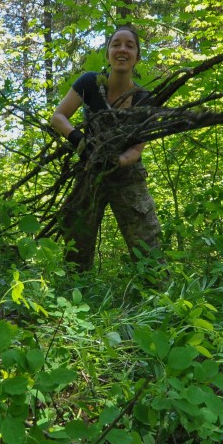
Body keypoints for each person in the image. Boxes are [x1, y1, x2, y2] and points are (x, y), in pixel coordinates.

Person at [49, 25, 162, 271]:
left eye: (129, 46)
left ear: (137, 56)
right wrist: (82, 143)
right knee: (75, 244)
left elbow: (137, 150)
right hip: (89, 171)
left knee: (148, 248)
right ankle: (73, 296)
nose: (122, 50)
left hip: (128, 176)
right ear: (108, 53)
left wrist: (117, 162)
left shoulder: (145, 99)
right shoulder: (90, 83)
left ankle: (157, 298)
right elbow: (59, 117)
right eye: (116, 44)